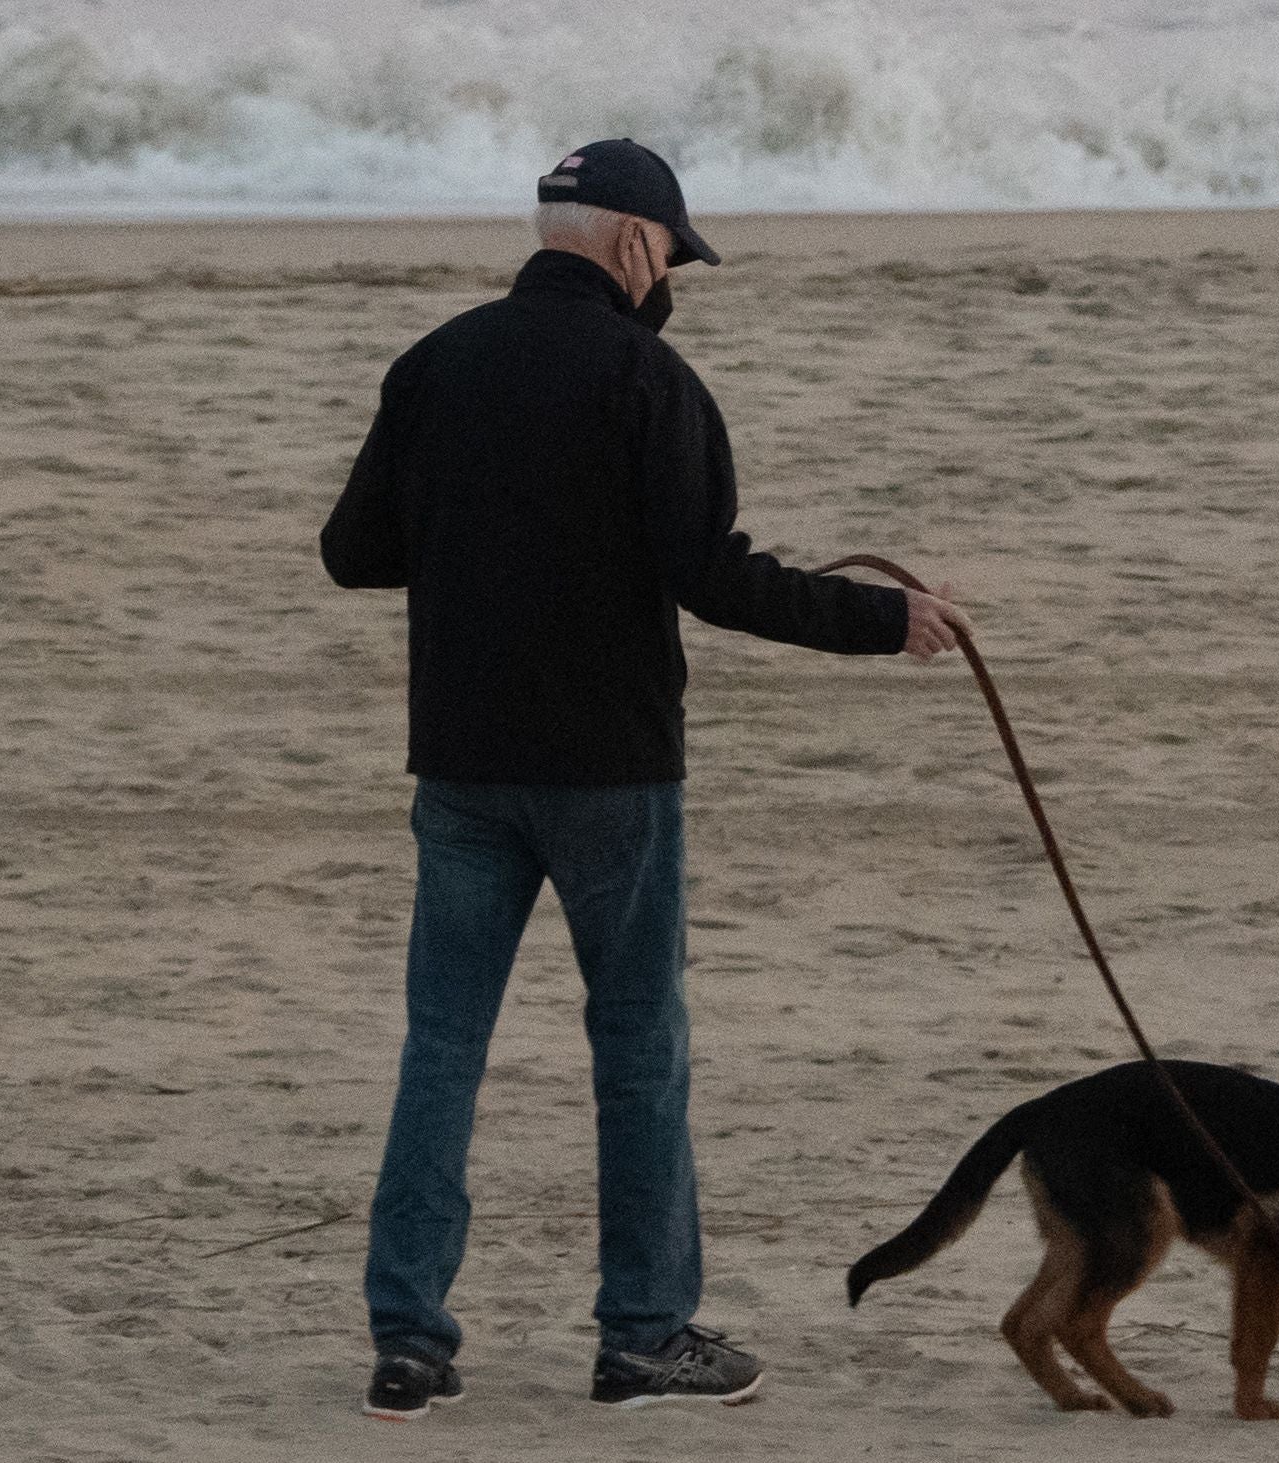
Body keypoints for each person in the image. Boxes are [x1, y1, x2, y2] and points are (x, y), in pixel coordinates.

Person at [319, 137, 972, 1420]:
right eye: (672, 252)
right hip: (610, 770)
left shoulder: (435, 362)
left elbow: (354, 551)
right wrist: (881, 622)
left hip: (459, 761)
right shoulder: (647, 375)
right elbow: (713, 575)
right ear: (630, 242)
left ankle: (407, 1338)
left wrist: (484, 539)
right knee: (637, 1048)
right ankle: (642, 1334)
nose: (671, 275)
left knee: (441, 1046)